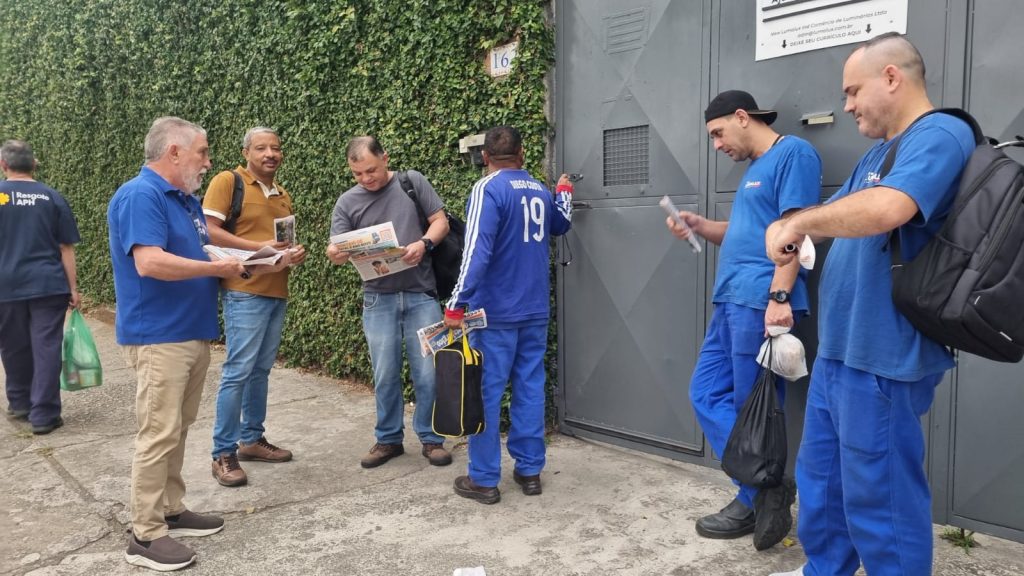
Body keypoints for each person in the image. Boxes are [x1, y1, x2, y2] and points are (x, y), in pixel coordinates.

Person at [765, 33, 976, 576]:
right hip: (841, 351)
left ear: (891, 77)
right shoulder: (880, 153)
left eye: (853, 91)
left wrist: (797, 223)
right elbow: (829, 215)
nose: (847, 105)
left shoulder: (941, 134)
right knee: (823, 487)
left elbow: (888, 209)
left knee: (881, 502)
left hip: (885, 356)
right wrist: (791, 225)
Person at [109, 116, 284, 571]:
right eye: (202, 153)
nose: (208, 162)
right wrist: (218, 270)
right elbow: (150, 262)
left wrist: (255, 259)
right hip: (159, 336)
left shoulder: (184, 200)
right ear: (173, 151)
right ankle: (145, 535)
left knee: (177, 427)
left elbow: (204, 253)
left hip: (189, 331)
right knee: (158, 433)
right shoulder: (141, 195)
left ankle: (171, 509)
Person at [665, 90, 821, 549]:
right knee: (706, 393)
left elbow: (794, 230)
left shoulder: (793, 154)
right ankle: (766, 486)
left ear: (741, 117)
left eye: (718, 134)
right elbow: (747, 234)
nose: (717, 145)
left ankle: (756, 495)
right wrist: (699, 226)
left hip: (758, 301)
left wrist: (779, 295)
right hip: (731, 300)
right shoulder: (755, 170)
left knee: (749, 406)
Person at [443, 125, 573, 505]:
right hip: (534, 310)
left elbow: (476, 252)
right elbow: (561, 224)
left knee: (485, 394)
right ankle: (530, 471)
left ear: (485, 156)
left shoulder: (487, 189)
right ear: (522, 153)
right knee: (530, 389)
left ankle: (483, 479)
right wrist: (564, 192)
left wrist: (456, 303)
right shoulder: (538, 189)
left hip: (494, 314)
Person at [327, 136, 453, 468]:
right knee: (384, 373)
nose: (365, 179)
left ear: (385, 158)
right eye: (357, 174)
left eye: (370, 170)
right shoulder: (347, 202)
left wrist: (424, 244)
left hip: (421, 294)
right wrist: (336, 253)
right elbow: (335, 249)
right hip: (377, 298)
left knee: (428, 372)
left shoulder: (412, 182)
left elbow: (440, 221)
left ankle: (431, 438)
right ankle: (388, 439)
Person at [202, 127, 307, 487]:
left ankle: (251, 439)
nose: (270, 154)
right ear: (246, 152)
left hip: (276, 290)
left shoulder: (283, 194)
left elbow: (280, 245)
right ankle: (222, 452)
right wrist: (258, 248)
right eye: (261, 148)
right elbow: (208, 230)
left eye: (275, 148)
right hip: (244, 290)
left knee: (260, 370)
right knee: (238, 371)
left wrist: (292, 254)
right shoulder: (228, 181)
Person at [0, 139, 80, 435]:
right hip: (48, 285)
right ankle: (44, 415)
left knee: (12, 344)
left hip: (6, 286)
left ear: (3, 165)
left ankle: (20, 403)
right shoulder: (51, 197)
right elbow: (66, 247)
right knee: (47, 346)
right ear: (34, 164)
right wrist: (73, 288)